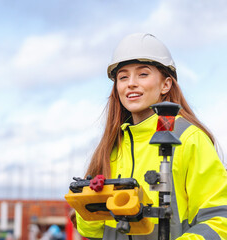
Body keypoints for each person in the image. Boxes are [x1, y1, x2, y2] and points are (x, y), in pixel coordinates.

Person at [72, 33, 227, 240]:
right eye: (123, 77)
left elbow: (220, 220)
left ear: (166, 85)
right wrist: (90, 205)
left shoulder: (189, 138)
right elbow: (94, 231)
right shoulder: (112, 147)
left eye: (143, 74)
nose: (131, 84)